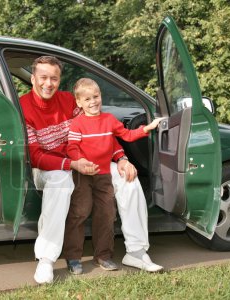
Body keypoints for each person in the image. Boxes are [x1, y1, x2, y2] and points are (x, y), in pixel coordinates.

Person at [19, 56, 163, 284]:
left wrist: (122, 158)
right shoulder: (23, 107)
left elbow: (98, 132)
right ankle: (46, 259)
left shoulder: (69, 101)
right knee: (61, 181)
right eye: (43, 77)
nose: (48, 83)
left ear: (59, 80)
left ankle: (136, 252)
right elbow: (36, 156)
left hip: (86, 163)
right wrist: (71, 164)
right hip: (49, 167)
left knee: (129, 179)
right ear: (33, 78)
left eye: (53, 78)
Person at [63, 78, 163, 275]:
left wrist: (147, 128)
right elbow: (72, 148)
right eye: (87, 98)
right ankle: (73, 256)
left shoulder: (109, 120)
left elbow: (127, 135)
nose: (93, 102)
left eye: (96, 96)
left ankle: (104, 255)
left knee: (106, 214)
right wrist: (80, 162)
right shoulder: (77, 124)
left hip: (104, 175)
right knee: (80, 212)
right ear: (79, 102)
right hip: (83, 174)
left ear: (101, 96)